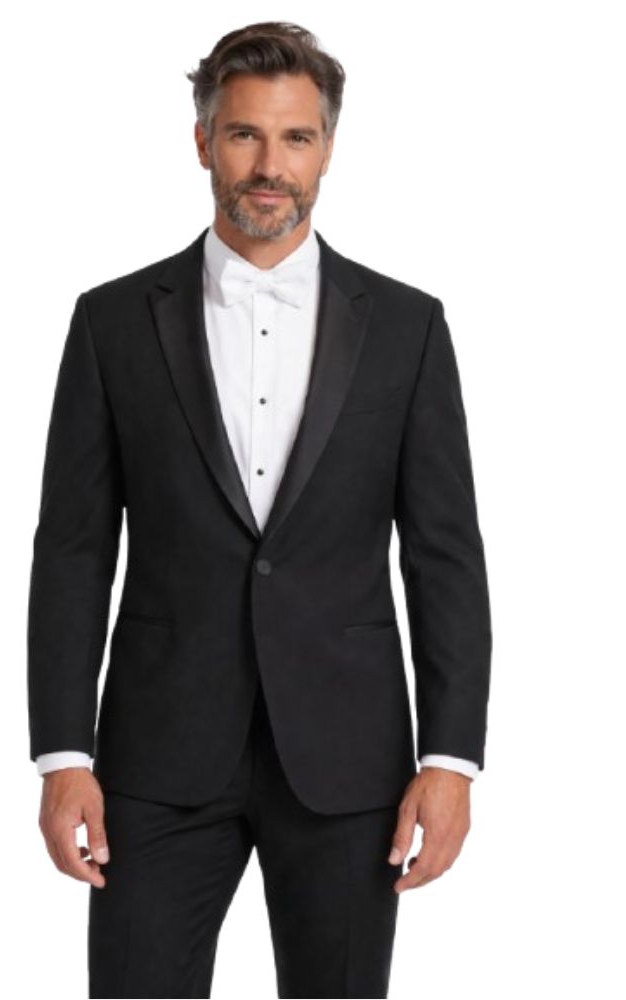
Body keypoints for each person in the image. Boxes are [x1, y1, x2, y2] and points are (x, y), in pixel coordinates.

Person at [27, 20, 492, 999]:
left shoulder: (407, 327)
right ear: (203, 141)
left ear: (328, 148)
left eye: (296, 138)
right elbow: (72, 549)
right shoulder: (112, 322)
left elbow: (444, 553)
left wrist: (450, 758)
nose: (270, 166)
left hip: (349, 762)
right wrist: (64, 754)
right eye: (244, 134)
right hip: (156, 757)